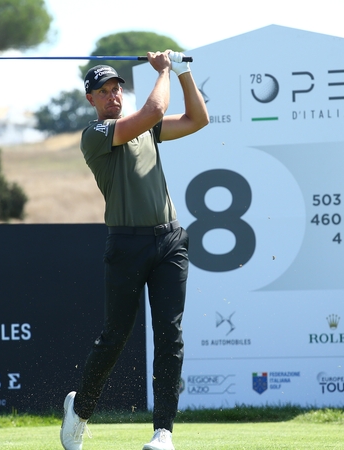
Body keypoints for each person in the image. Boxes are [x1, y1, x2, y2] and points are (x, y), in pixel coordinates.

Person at [60, 50, 208, 450]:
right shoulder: (96, 136)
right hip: (126, 244)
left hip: (171, 241)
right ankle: (80, 412)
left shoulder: (148, 131)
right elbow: (155, 108)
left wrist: (184, 73)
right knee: (115, 337)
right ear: (90, 99)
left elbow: (198, 119)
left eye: (116, 89)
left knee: (169, 336)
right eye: (104, 92)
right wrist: (163, 70)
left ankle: (163, 432)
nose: (113, 96)